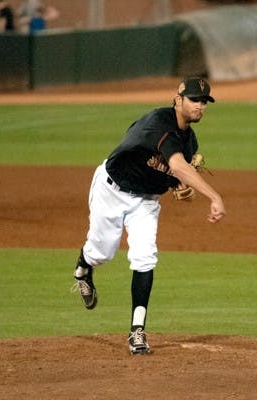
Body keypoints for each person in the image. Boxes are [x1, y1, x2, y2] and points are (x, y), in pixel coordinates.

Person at [72, 77, 226, 355]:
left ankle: (137, 332)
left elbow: (175, 176)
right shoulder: (158, 121)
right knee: (102, 253)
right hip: (112, 190)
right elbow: (177, 166)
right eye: (194, 99)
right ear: (177, 99)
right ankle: (83, 267)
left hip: (145, 202)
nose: (200, 106)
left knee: (145, 257)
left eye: (204, 101)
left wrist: (180, 187)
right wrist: (213, 196)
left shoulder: (189, 141)